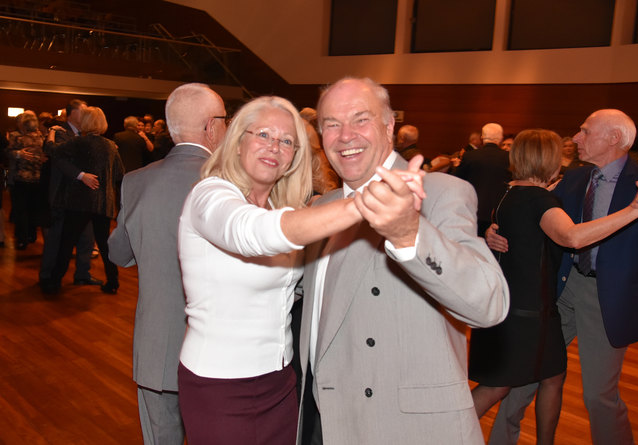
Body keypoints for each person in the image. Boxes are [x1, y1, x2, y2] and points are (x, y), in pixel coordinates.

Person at [176, 95, 423, 445]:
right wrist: (365, 202)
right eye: (263, 134)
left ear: (294, 157)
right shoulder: (210, 195)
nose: (274, 146)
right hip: (219, 382)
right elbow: (253, 234)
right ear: (237, 141)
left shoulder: (286, 207)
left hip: (280, 380)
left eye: (286, 141)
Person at [297, 77, 509, 445]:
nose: (345, 135)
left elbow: (488, 304)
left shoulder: (440, 193)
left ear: (389, 126)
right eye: (332, 124)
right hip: (322, 419)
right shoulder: (324, 206)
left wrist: (408, 233)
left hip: (403, 428)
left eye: (360, 119)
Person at [470, 128, 638, 444]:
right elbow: (570, 235)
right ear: (548, 161)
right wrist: (634, 210)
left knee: (558, 379)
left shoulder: (513, 192)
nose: (576, 138)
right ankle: (452, 430)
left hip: (538, 303)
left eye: (587, 131)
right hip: (534, 306)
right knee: (508, 384)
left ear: (613, 137)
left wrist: (492, 230)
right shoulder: (547, 193)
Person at [107, 83, 227, 445]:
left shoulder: (136, 182)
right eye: (224, 119)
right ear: (211, 127)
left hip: (158, 344)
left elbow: (118, 255)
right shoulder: (233, 184)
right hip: (223, 351)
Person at [42, 106, 124, 294]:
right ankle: (113, 282)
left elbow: (51, 150)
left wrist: (52, 132)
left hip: (80, 201)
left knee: (67, 241)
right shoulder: (111, 146)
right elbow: (120, 173)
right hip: (104, 202)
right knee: (104, 245)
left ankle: (55, 281)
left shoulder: (80, 143)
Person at [41, 99, 101, 287]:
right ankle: (47, 277)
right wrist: (81, 175)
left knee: (86, 237)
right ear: (72, 113)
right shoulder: (60, 133)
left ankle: (82, 274)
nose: (85, 116)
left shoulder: (83, 135)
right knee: (56, 239)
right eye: (82, 112)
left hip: (82, 198)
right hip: (63, 196)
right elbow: (59, 160)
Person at [454, 122, 511, 235]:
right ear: (500, 138)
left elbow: (457, 181)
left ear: (482, 138)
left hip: (472, 210)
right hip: (498, 211)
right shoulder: (509, 158)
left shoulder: (470, 156)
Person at [5, 112, 45, 249]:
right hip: (37, 179)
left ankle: (22, 239)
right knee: (32, 208)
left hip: (21, 179)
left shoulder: (16, 136)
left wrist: (17, 154)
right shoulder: (41, 136)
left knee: (21, 209)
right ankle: (31, 235)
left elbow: (8, 153)